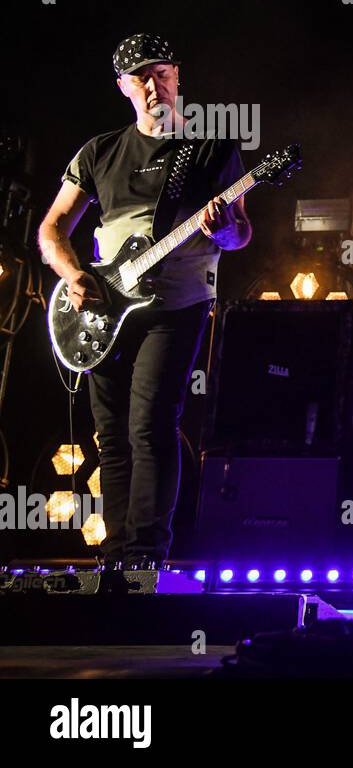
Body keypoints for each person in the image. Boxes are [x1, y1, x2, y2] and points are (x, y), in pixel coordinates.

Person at [37, 34, 251, 570]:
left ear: (178, 77)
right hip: (105, 308)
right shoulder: (98, 152)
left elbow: (241, 235)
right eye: (140, 77)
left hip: (177, 303)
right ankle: (114, 560)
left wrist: (222, 229)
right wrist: (74, 274)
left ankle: (145, 559)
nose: (153, 85)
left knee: (150, 422)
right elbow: (51, 229)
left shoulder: (212, 149)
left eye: (161, 73)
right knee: (111, 436)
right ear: (123, 88)